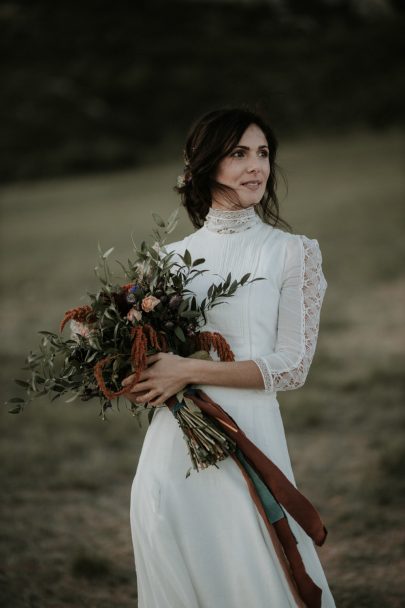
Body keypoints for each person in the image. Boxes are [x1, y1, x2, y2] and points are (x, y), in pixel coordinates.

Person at [122, 107, 337, 607]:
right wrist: (132, 375)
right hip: (174, 444)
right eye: (239, 153)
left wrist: (188, 369)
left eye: (262, 153)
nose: (256, 166)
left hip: (250, 436)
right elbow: (150, 359)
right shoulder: (167, 260)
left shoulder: (292, 253)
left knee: (251, 571)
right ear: (206, 164)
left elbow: (292, 365)